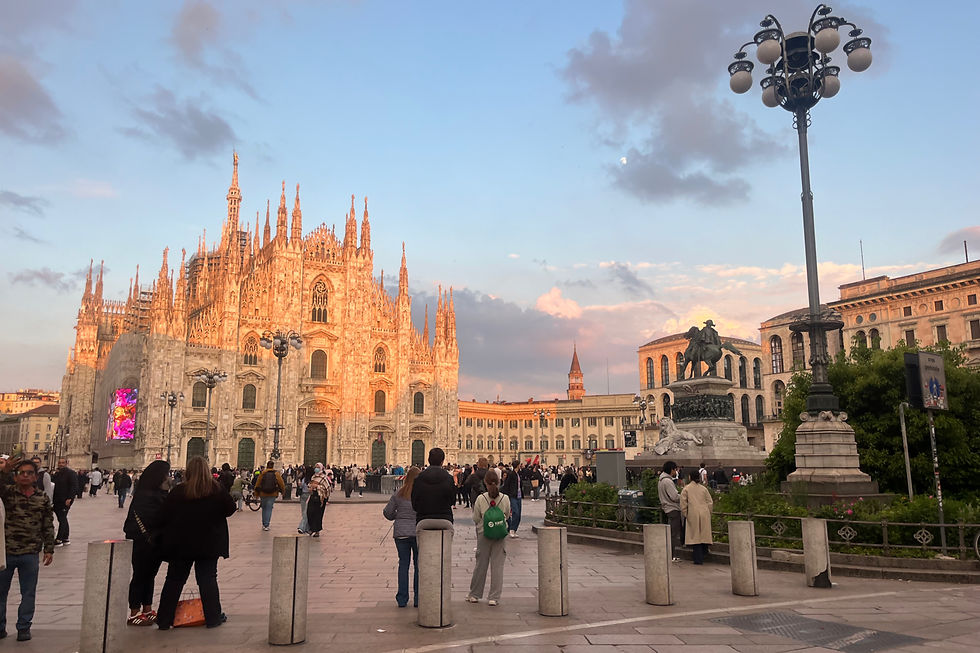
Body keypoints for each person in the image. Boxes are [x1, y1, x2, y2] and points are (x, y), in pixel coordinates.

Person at [155, 456, 236, 630]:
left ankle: (164, 620)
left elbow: (163, 515)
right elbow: (230, 509)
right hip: (209, 544)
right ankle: (213, 618)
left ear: (188, 471)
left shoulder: (178, 491)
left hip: (181, 545)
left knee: (174, 580)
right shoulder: (216, 490)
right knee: (208, 580)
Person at [0, 458, 55, 641]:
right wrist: (4, 472)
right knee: (0, 592)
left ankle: (24, 627)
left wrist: (49, 548)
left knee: (28, 592)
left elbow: (47, 524)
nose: (25, 476)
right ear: (15, 477)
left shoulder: (42, 498)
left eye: (29, 473)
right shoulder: (7, 493)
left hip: (30, 552)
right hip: (5, 552)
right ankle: (0, 627)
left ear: (35, 477)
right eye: (21, 473)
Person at [123, 460, 171, 626]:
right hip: (142, 541)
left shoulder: (158, 493)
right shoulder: (145, 495)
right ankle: (134, 613)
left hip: (154, 541)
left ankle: (148, 609)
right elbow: (150, 518)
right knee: (140, 575)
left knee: (150, 575)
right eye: (166, 474)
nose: (168, 477)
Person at [466, 469, 510, 606]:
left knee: (481, 565)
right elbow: (507, 515)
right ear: (498, 482)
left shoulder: (480, 498)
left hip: (483, 533)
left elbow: (476, 518)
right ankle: (494, 597)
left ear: (485, 483)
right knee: (497, 566)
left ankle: (474, 595)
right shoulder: (505, 498)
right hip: (500, 534)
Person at [382, 466, 420, 608]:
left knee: (403, 565)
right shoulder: (421, 494)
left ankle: (402, 599)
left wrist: (396, 516)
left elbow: (387, 512)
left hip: (401, 534)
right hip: (417, 533)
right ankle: (418, 598)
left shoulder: (399, 493)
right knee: (418, 566)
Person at [411, 448, 456, 527]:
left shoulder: (418, 478)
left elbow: (414, 502)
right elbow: (452, 500)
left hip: (423, 519)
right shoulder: (449, 478)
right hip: (445, 519)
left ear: (428, 460)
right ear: (442, 461)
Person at [680, 469, 713, 565]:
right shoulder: (703, 489)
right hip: (704, 513)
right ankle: (704, 553)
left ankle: (698, 558)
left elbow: (683, 504)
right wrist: (708, 512)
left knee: (695, 537)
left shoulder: (686, 489)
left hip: (693, 513)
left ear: (690, 477)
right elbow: (710, 502)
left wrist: (686, 514)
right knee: (703, 535)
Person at [657, 461, 682, 562]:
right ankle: (672, 556)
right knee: (673, 534)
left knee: (670, 533)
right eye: (675, 469)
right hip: (672, 509)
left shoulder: (661, 480)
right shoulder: (668, 481)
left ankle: (670, 555)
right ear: (671, 469)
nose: (676, 472)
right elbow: (674, 497)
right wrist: (684, 496)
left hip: (666, 508)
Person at [51, 458, 76, 546]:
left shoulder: (71, 473)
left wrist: (70, 498)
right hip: (57, 500)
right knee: (62, 518)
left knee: (62, 518)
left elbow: (73, 486)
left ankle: (59, 539)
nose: (60, 464)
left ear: (66, 463)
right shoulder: (57, 473)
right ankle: (65, 538)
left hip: (65, 500)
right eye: (59, 463)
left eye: (62, 463)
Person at [253, 461, 284, 531]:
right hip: (272, 494)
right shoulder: (276, 473)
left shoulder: (263, 473)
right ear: (273, 466)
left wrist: (256, 494)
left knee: (264, 508)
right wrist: (283, 491)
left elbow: (257, 483)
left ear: (267, 466)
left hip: (263, 493)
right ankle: (266, 525)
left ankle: (264, 524)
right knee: (269, 509)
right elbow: (281, 483)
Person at [305, 463, 330, 538]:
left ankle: (316, 530)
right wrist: (310, 487)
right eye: (315, 467)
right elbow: (310, 484)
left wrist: (317, 487)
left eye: (318, 467)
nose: (316, 468)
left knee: (318, 514)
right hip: (313, 496)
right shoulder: (313, 476)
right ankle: (311, 528)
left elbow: (327, 488)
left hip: (320, 498)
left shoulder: (324, 477)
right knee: (309, 512)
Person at [500, 463, 523, 538]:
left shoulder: (518, 474)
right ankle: (511, 529)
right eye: (520, 465)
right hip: (513, 496)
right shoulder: (511, 474)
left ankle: (514, 529)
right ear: (517, 465)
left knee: (519, 514)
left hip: (518, 496)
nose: (521, 466)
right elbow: (507, 485)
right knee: (515, 512)